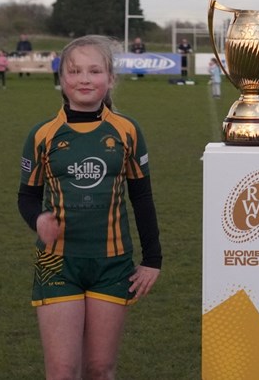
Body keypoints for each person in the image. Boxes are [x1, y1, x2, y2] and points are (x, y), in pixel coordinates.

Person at [17, 35, 162, 379]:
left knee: (99, 368)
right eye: (75, 71)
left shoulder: (127, 130)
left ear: (110, 78)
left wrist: (152, 260)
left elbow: (142, 198)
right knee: (62, 371)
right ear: (61, 79)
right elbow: (27, 196)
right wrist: (38, 219)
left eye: (94, 71)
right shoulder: (42, 134)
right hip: (56, 263)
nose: (84, 79)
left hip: (112, 264)